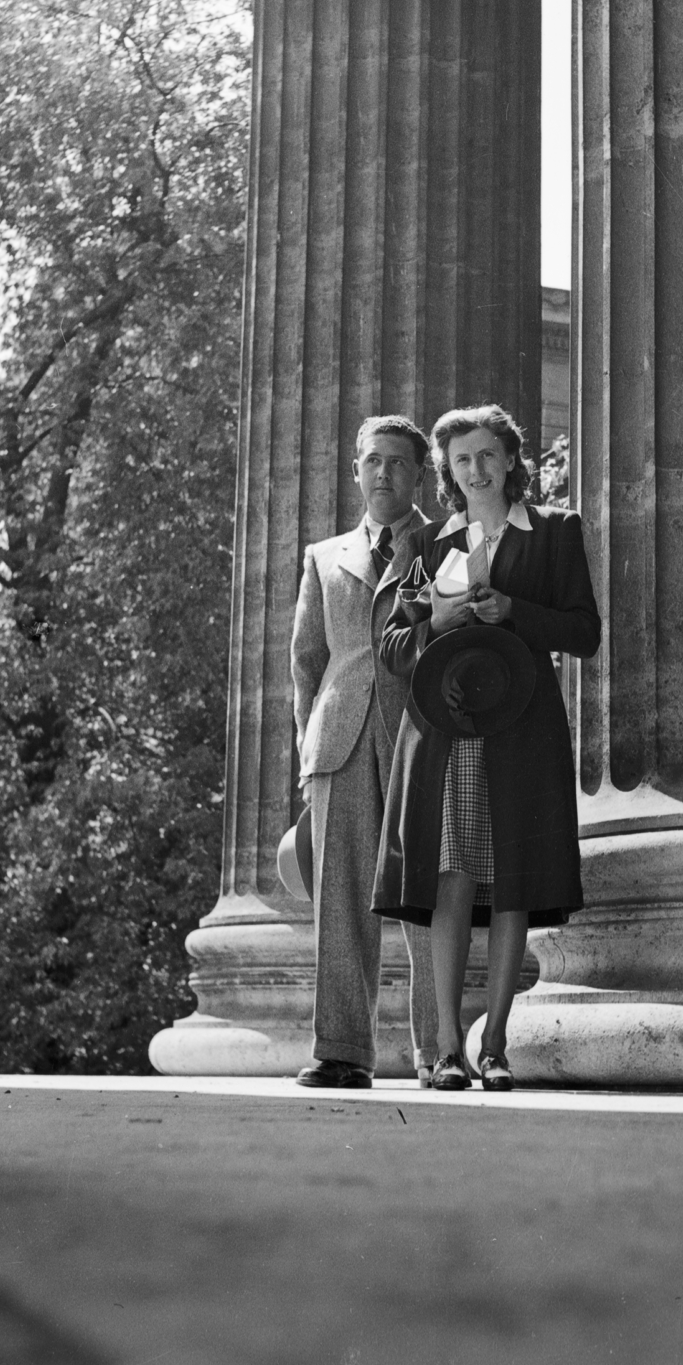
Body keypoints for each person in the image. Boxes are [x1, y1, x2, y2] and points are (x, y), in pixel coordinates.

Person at [373, 404, 601, 1092]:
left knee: (512, 881)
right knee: (451, 875)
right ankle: (446, 1048)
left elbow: (584, 631)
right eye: (461, 459)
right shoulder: (428, 544)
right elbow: (390, 650)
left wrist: (515, 613)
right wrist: (435, 620)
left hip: (522, 728)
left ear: (509, 461)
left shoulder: (555, 531)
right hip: (443, 732)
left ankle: (494, 1046)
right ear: (446, 471)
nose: (474, 469)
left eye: (486, 455)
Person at [290, 415, 438, 1089]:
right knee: (340, 900)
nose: (384, 474)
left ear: (418, 475)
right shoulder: (323, 557)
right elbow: (306, 662)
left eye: (398, 463)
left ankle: (438, 1053)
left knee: (424, 895)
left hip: (418, 734)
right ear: (355, 470)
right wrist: (306, 751)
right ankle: (342, 1051)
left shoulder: (446, 547)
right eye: (372, 461)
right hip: (339, 741)